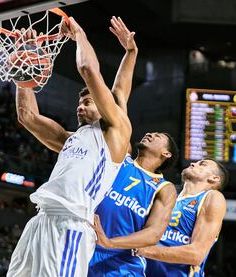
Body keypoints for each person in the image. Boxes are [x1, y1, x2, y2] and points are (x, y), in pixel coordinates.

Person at [0, 16, 133, 277]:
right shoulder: (70, 139)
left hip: (72, 224)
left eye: (88, 102)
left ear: (104, 107)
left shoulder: (115, 132)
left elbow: (91, 72)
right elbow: (27, 116)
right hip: (40, 220)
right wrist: (23, 66)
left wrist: (79, 32)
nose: (80, 106)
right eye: (79, 104)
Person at [88, 17, 179, 277]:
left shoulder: (164, 188)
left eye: (159, 135)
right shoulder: (121, 154)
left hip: (121, 266)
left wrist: (109, 242)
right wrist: (131, 52)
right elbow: (119, 96)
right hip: (83, 250)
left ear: (166, 153)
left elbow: (154, 233)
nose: (150, 133)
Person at [135, 159, 228, 277]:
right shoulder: (167, 195)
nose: (193, 163)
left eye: (202, 164)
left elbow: (196, 254)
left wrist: (141, 249)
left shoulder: (212, 197)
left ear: (214, 178)